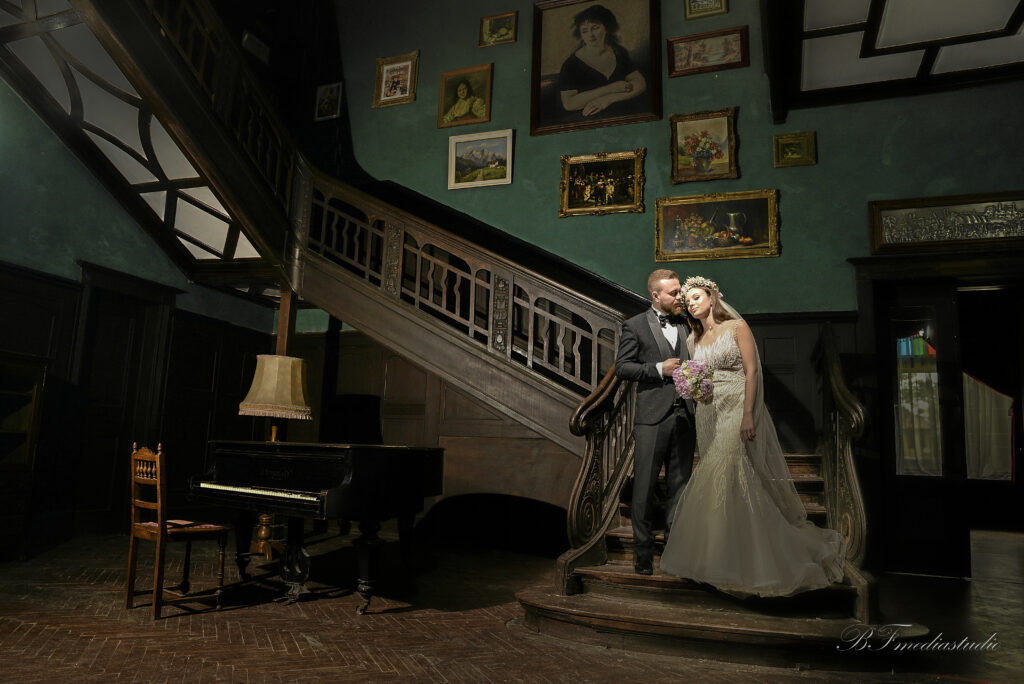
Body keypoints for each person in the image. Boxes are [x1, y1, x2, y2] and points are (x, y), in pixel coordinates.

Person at [658, 276, 846, 597]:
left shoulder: (737, 328)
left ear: (712, 297)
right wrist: (693, 387)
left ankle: (748, 558)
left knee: (723, 469)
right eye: (687, 301)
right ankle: (721, 555)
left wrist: (748, 413)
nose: (691, 303)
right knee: (723, 477)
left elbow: (752, 371)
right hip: (709, 411)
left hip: (737, 405)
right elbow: (700, 376)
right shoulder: (694, 339)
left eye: (697, 297)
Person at [615, 269, 696, 575]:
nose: (680, 297)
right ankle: (643, 553)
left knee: (680, 487)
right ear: (655, 295)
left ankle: (673, 550)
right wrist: (658, 369)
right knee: (644, 488)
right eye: (673, 293)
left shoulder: (688, 324)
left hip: (686, 415)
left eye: (680, 291)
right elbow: (623, 367)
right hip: (651, 418)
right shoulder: (635, 325)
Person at [558, 4, 646, 119]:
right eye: (584, 31)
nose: (590, 34)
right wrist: (611, 88)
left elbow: (640, 83)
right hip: (588, 117)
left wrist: (608, 99)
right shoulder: (571, 65)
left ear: (606, 28)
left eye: (595, 28)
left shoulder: (618, 52)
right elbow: (569, 103)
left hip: (622, 112)